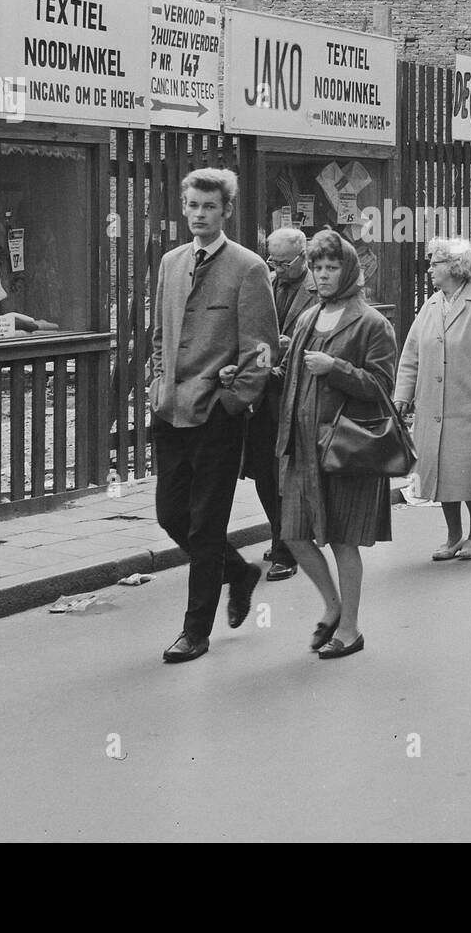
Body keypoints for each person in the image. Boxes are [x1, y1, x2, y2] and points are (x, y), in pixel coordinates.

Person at [150, 168, 278, 664]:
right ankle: (239, 571)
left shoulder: (247, 267)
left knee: (206, 524)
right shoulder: (170, 263)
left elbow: (261, 349)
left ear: (226, 211)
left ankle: (195, 631)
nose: (199, 214)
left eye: (210, 207)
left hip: (218, 417)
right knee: (170, 514)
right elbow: (161, 333)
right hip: (170, 410)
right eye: (193, 206)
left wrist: (235, 400)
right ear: (184, 208)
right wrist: (157, 382)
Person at [277, 230, 397, 659]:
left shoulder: (372, 324)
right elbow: (291, 377)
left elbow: (382, 389)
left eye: (332, 268)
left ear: (349, 271)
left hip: (346, 448)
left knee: (343, 541)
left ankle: (350, 628)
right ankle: (331, 607)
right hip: (303, 449)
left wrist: (336, 367)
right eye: (318, 268)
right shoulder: (309, 319)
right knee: (292, 534)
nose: (324, 276)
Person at [394, 236, 471, 560]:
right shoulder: (431, 305)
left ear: (455, 267)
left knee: (467, 472)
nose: (430, 268)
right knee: (440, 472)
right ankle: (453, 535)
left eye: (436, 262)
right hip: (433, 404)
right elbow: (411, 355)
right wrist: (402, 396)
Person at [237, 226, 318, 582]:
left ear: (303, 258)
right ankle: (281, 534)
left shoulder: (318, 290)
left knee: (286, 474)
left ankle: (288, 547)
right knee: (264, 473)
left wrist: (288, 346)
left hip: (297, 394)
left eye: (284, 262)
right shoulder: (264, 283)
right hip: (262, 394)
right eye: (272, 260)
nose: (277, 267)